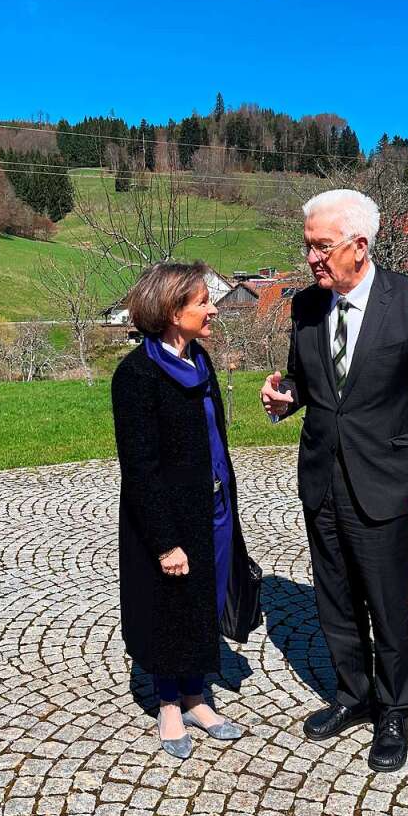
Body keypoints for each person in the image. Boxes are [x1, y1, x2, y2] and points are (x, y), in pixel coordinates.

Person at [260, 189, 408, 773]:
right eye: (309, 246)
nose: (311, 258)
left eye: (321, 247)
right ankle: (353, 695)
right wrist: (284, 397)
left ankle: (395, 710)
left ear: (359, 246)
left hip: (387, 483)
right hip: (323, 479)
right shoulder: (305, 307)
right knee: (335, 600)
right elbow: (309, 383)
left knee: (388, 605)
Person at [111, 261, 255, 760]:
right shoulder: (137, 375)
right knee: (169, 605)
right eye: (202, 302)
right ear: (173, 311)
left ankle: (197, 697)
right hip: (167, 518)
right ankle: (169, 704)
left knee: (203, 599)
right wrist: (164, 541)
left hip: (211, 505)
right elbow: (140, 468)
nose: (213, 308)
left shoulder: (200, 361)